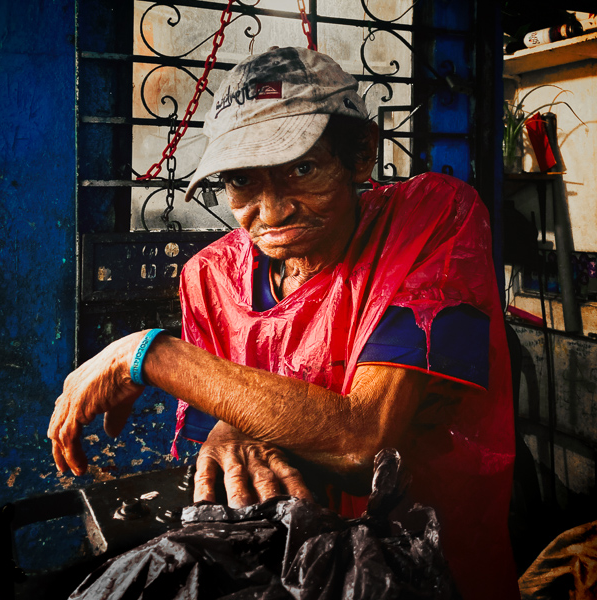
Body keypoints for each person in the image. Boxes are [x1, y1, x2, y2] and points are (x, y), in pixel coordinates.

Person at [49, 47, 520, 599]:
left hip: (427, 564)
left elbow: (363, 443)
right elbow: (222, 449)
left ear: (361, 154)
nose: (270, 212)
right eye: (242, 181)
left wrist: (153, 355)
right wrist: (239, 422)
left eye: (303, 169)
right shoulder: (210, 276)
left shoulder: (434, 218)